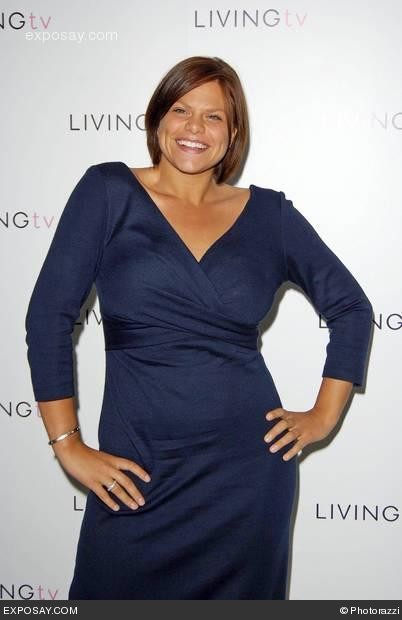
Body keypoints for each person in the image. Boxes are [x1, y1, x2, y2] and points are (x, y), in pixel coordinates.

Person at [24, 55, 373, 600]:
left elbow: (351, 307)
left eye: (214, 117)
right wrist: (67, 444)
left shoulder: (270, 215)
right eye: (181, 110)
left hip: (247, 480)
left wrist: (323, 416)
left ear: (233, 134)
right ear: (158, 118)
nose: (195, 127)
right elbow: (48, 317)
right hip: (137, 475)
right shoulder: (108, 191)